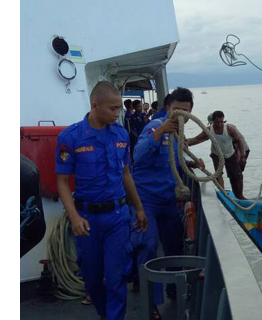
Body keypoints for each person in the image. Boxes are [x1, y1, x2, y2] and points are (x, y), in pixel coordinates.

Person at [55, 81, 147, 320]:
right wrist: (74, 217)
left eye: (119, 108)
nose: (118, 113)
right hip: (87, 220)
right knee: (93, 279)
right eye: (113, 108)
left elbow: (126, 174)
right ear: (95, 105)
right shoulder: (70, 137)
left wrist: (139, 208)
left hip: (117, 217)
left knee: (116, 278)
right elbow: (62, 182)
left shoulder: (121, 134)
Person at [131, 87, 205, 310]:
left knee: (174, 247)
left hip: (168, 200)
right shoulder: (156, 126)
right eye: (177, 110)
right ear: (168, 109)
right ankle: (151, 303)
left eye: (186, 111)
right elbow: (138, 155)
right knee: (149, 246)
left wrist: (192, 164)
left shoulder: (177, 135)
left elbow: (172, 161)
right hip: (147, 201)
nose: (181, 115)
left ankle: (174, 290)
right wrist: (159, 131)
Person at [187, 111, 247, 200]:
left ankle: (240, 195)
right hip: (216, 154)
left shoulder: (229, 129)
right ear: (213, 121)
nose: (219, 124)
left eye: (221, 122)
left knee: (237, 175)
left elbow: (239, 141)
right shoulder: (209, 130)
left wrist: (242, 156)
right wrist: (185, 143)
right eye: (217, 122)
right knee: (218, 174)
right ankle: (223, 192)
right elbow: (197, 139)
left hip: (230, 154)